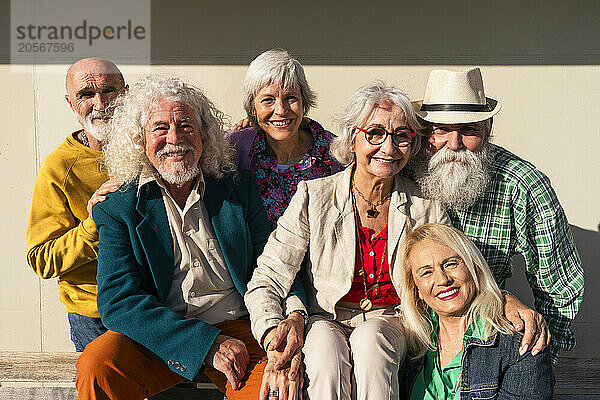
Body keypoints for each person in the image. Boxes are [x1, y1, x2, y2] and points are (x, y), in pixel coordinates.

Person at [75, 75, 305, 400]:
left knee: (277, 390)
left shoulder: (238, 189)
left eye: (186, 126)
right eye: (160, 128)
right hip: (163, 331)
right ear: (140, 140)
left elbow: (275, 263)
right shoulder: (118, 207)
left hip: (239, 325)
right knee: (99, 364)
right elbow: (118, 301)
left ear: (204, 136)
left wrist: (295, 313)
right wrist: (205, 343)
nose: (175, 139)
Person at [245, 82, 451, 400]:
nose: (389, 147)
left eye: (401, 136)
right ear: (352, 138)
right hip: (324, 317)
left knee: (371, 339)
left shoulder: (426, 206)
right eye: (375, 133)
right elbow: (266, 281)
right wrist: (275, 335)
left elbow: (449, 276)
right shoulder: (313, 197)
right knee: (325, 350)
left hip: (392, 320)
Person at [411, 67, 583, 362]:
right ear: (425, 132)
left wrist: (539, 361)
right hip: (408, 335)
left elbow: (559, 286)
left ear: (487, 129)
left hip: (481, 338)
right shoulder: (403, 169)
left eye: (469, 131)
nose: (454, 144)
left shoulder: (522, 184)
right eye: (441, 130)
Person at [25, 57, 126, 351]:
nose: (101, 104)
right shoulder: (58, 168)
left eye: (110, 91)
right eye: (86, 94)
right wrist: (95, 225)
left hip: (156, 304)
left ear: (127, 94)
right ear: (70, 103)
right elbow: (41, 258)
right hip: (95, 314)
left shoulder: (150, 145)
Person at [399, 223, 553, 400]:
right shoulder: (411, 343)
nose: (442, 279)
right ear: (416, 288)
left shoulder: (519, 341)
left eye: (450, 264)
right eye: (426, 272)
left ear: (473, 267)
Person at [228, 48, 342, 229]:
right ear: (252, 107)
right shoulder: (234, 148)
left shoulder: (335, 153)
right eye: (268, 100)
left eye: (290, 98)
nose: (280, 110)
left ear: (304, 102)